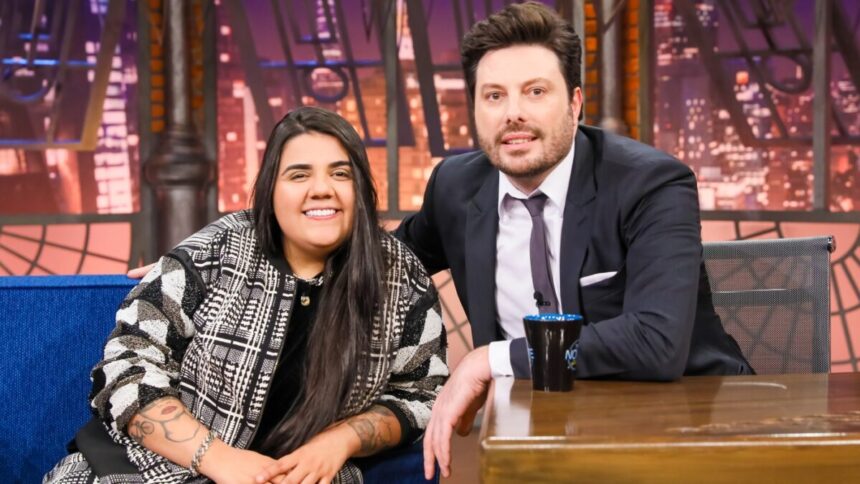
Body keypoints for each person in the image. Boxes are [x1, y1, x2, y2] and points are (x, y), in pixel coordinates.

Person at [390, 2, 753, 479]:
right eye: (494, 96)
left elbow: (655, 341)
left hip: (685, 424)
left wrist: (490, 360)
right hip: (537, 433)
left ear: (575, 102)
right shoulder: (456, 187)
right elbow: (388, 267)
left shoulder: (650, 184)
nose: (513, 113)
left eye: (535, 91)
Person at [44, 106, 447, 484]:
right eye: (299, 174)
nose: (322, 189)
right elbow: (126, 368)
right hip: (149, 466)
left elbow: (424, 393)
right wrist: (220, 459)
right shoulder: (216, 252)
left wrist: (341, 440)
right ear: (271, 189)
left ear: (360, 188)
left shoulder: (397, 274)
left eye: (340, 174)